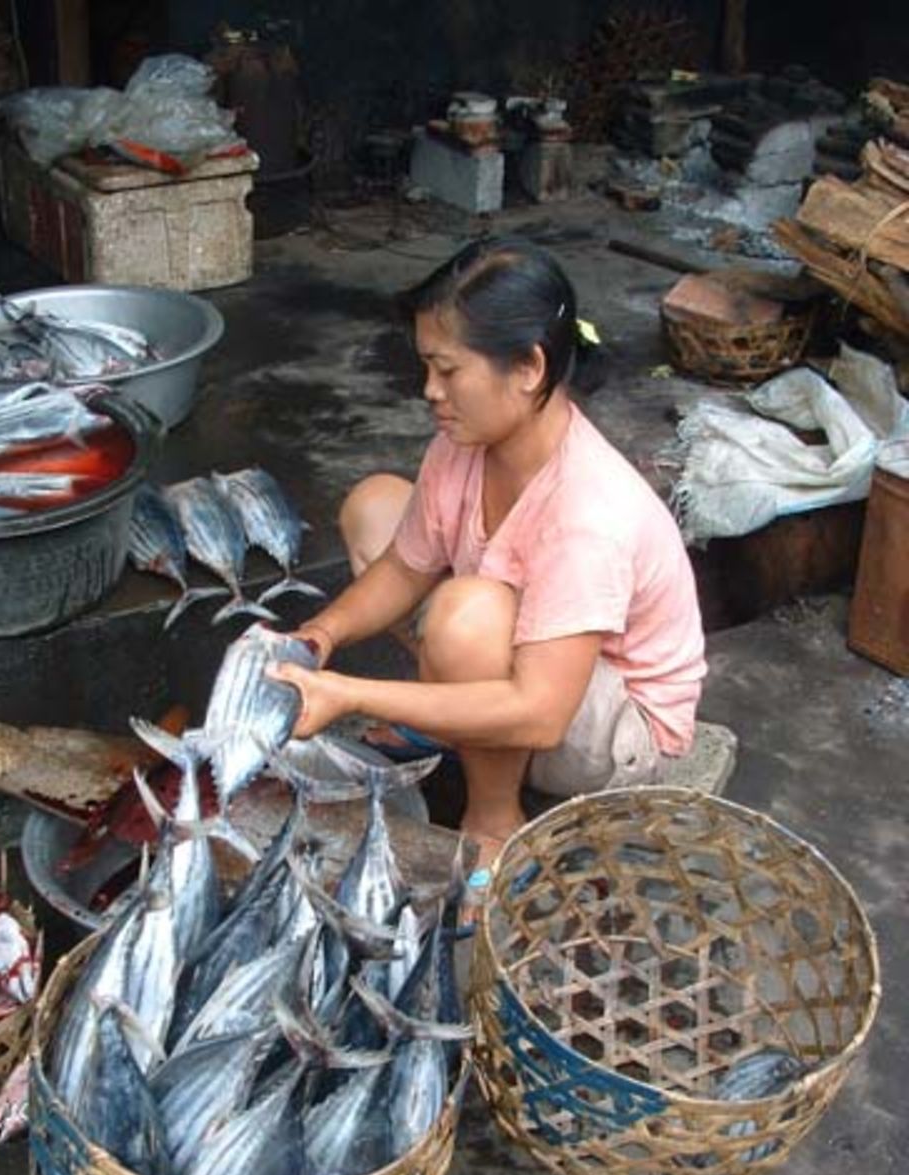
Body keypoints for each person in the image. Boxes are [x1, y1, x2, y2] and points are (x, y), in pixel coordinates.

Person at [271, 236, 706, 914]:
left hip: (620, 730)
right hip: (539, 660)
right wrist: (321, 634)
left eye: (447, 370)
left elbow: (539, 712)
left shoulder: (587, 512)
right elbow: (405, 566)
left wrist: (350, 693)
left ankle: (494, 817)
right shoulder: (464, 444)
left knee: (465, 618)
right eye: (426, 368)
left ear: (529, 367)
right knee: (377, 505)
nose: (429, 391)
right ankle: (453, 715)